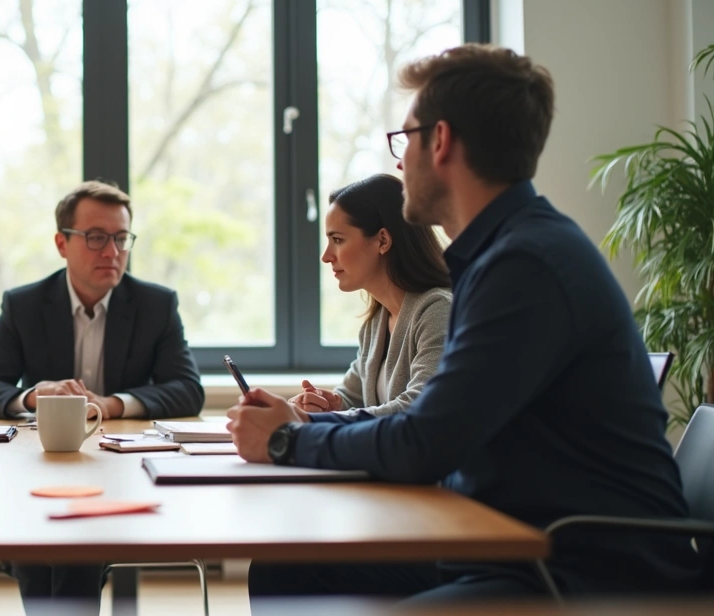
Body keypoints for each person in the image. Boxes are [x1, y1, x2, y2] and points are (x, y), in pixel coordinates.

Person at [230, 44, 702, 606]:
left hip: (578, 570)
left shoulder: (525, 265)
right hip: (506, 543)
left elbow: (424, 441)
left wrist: (289, 438)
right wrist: (303, 429)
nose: (399, 164)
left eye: (404, 140)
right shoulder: (503, 254)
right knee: (288, 570)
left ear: (442, 141)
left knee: (301, 575)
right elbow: (435, 430)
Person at [0, 180, 204, 614]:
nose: (112, 252)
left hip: (123, 472)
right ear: (62, 243)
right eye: (96, 237)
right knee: (44, 541)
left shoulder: (156, 304)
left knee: (76, 540)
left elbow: (188, 390)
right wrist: (36, 395)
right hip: (41, 469)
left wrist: (112, 404)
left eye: (121, 238)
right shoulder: (24, 304)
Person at [289, 173, 450, 419]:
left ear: (383, 240)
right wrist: (329, 405)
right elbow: (351, 398)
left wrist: (318, 420)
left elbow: (419, 408)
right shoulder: (376, 323)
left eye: (337, 239)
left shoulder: (438, 310)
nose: (326, 256)